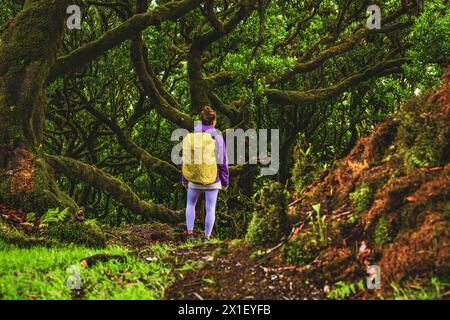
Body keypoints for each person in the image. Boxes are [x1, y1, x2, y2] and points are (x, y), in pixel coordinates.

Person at [182, 106, 229, 240]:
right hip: (212, 179)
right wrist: (225, 182)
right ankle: (207, 237)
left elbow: (186, 160)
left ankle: (190, 234)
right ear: (213, 121)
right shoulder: (217, 136)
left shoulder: (192, 136)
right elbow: (223, 161)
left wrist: (185, 179)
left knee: (190, 204)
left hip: (194, 179)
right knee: (210, 208)